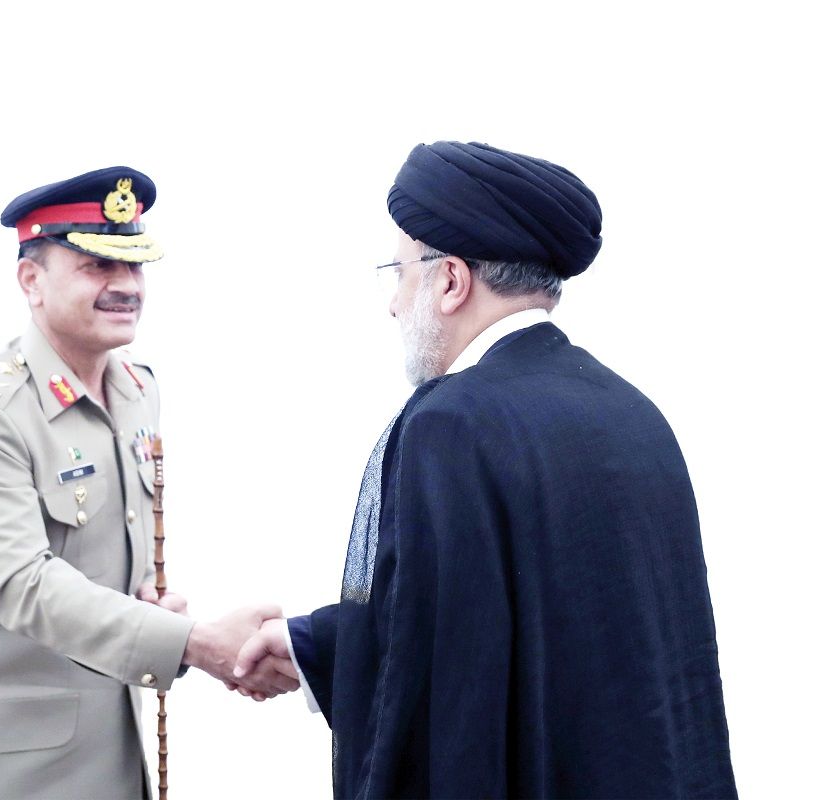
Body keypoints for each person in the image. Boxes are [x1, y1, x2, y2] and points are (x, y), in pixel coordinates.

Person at [235, 142, 737, 798]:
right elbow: (545, 620)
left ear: (450, 281)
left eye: (399, 272)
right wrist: (311, 649)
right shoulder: (634, 411)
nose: (394, 304)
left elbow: (443, 671)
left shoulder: (450, 424)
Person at [0, 166, 296, 800]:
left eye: (134, 265)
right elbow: (26, 586)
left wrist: (154, 604)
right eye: (97, 266)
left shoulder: (136, 389)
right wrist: (196, 644)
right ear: (31, 281)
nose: (125, 285)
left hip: (106, 756)